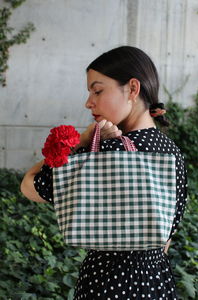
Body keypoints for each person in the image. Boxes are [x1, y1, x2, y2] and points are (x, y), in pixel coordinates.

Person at [21, 46, 187, 299]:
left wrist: (82, 141)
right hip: (156, 282)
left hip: (107, 283)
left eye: (97, 90)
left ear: (133, 88)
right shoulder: (172, 152)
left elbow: (29, 186)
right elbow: (167, 237)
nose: (89, 102)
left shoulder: (107, 152)